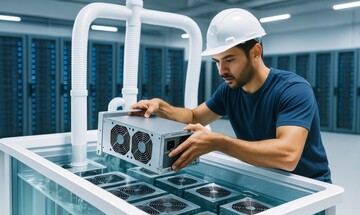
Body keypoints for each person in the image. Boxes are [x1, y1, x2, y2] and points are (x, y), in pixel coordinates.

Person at [131, 8, 332, 183]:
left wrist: (219, 142)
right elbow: (194, 116)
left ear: (255, 52)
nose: (221, 70)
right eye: (216, 61)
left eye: (229, 59)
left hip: (310, 187)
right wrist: (160, 106)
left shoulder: (293, 89)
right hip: (266, 179)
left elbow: (288, 156)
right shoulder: (230, 91)